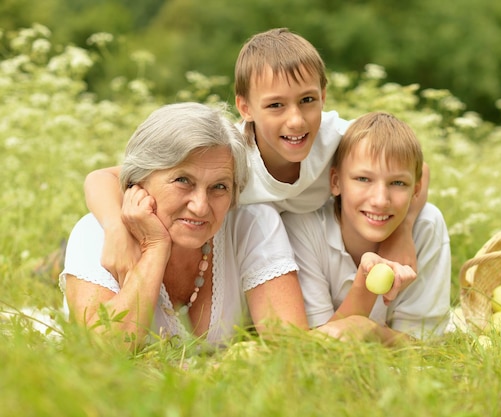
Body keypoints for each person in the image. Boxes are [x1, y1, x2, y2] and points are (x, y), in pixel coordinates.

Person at [82, 28, 428, 304]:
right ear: (245, 108)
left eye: (307, 100)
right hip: (248, 248)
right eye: (276, 105)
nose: (296, 120)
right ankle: (55, 261)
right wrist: (114, 231)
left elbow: (415, 170)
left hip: (304, 247)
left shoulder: (336, 138)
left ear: (323, 95)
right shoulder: (229, 155)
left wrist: (402, 231)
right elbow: (102, 178)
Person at [59, 103, 309, 348]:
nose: (201, 206)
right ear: (138, 180)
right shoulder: (94, 234)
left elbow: (290, 345)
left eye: (219, 186)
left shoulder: (253, 225)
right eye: (183, 181)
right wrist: (156, 248)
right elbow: (101, 349)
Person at [282, 112, 451, 345]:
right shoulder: (304, 227)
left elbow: (426, 345)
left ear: (416, 190)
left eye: (398, 183)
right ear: (336, 182)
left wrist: (370, 331)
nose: (380, 200)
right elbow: (316, 346)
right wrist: (365, 290)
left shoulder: (426, 226)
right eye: (363, 179)